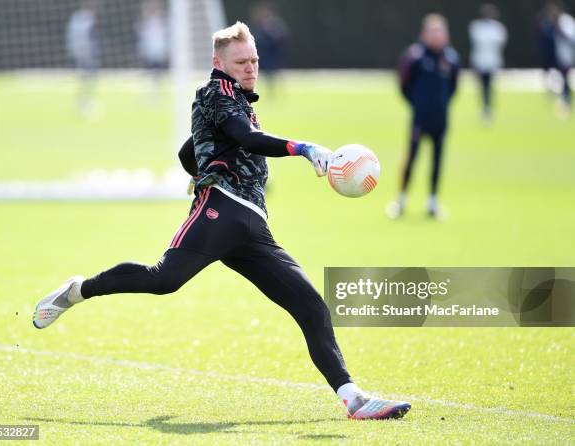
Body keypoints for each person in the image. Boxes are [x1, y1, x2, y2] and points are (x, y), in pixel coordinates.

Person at [33, 21, 411, 421]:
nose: (250, 68)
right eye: (241, 61)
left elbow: (187, 151)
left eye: (254, 60)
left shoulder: (238, 100)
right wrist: (303, 148)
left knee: (311, 305)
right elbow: (245, 137)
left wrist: (198, 167)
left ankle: (353, 398)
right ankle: (77, 290)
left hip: (252, 226)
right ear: (219, 62)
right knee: (163, 280)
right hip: (221, 208)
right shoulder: (217, 92)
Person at [387, 14, 460, 219]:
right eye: (433, 32)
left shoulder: (451, 59)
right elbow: (404, 84)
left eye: (441, 31)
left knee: (437, 160)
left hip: (441, 118)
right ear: (424, 34)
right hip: (420, 118)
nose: (437, 36)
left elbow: (454, 87)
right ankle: (400, 200)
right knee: (411, 158)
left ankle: (433, 201)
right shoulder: (415, 57)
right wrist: (418, 104)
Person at [469, 4, 507, 122]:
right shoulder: (476, 27)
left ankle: (488, 108)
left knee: (489, 86)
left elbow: (500, 43)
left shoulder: (498, 28)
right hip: (480, 61)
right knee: (482, 87)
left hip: (492, 62)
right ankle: (485, 107)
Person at [66, 0, 101, 115]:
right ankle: (84, 101)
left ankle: (83, 100)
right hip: (86, 53)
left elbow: (71, 35)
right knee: (89, 77)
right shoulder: (89, 19)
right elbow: (91, 37)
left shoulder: (76, 17)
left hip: (79, 52)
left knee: (86, 77)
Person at [249, 2, 288, 97]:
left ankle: (274, 92)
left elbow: (280, 37)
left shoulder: (274, 25)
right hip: (263, 54)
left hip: (272, 54)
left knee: (272, 74)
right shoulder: (259, 26)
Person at [136, 0, 170, 103]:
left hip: (158, 51)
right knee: (148, 74)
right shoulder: (145, 23)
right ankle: (149, 94)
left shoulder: (162, 23)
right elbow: (142, 35)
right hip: (149, 52)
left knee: (157, 75)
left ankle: (155, 94)